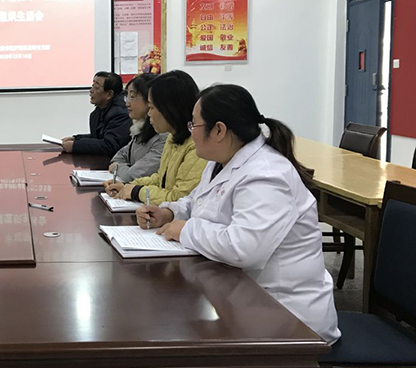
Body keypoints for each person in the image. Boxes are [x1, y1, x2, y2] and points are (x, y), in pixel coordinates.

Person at [139, 84, 341, 344]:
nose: (191, 132)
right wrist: (168, 212)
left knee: (174, 335)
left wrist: (186, 229)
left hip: (287, 315)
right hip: (241, 296)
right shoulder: (220, 161)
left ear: (219, 130)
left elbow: (243, 248)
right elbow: (198, 201)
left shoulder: (267, 175)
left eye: (194, 125)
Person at [105, 70, 206, 205]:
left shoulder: (195, 147)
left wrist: (136, 191)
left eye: (152, 107)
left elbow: (179, 197)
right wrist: (127, 186)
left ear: (170, 109)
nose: (149, 114)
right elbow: (161, 179)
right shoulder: (172, 138)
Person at [109, 73, 167, 182]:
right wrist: (123, 167)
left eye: (132, 97)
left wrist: (118, 167)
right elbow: (118, 157)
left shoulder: (163, 137)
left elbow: (130, 176)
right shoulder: (139, 130)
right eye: (127, 96)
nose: (127, 103)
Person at [62, 71, 131, 157]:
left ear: (109, 94)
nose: (91, 91)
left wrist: (75, 146)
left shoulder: (121, 114)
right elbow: (98, 137)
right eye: (92, 86)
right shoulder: (100, 109)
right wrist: (76, 139)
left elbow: (109, 146)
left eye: (96, 87)